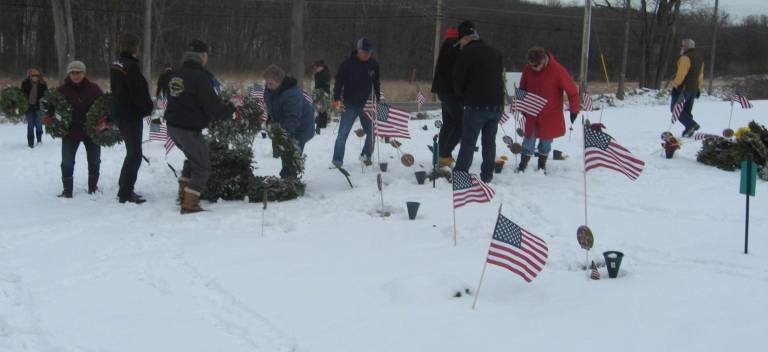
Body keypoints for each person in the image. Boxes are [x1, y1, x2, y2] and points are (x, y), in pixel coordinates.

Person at [164, 39, 235, 214]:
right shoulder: (200, 77)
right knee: (202, 167)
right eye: (206, 56)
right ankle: (189, 203)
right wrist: (230, 109)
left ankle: (183, 193)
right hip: (187, 129)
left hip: (173, 126)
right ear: (202, 57)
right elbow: (213, 106)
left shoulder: (176, 74)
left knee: (192, 158)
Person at [451, 21, 504, 183]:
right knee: (489, 141)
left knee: (468, 141)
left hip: (476, 105)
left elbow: (457, 79)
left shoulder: (467, 53)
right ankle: (487, 175)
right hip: (497, 105)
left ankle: (460, 175)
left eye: (460, 42)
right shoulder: (496, 52)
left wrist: (461, 97)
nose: (460, 46)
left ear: (465, 38)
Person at [517, 47, 579, 173]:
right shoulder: (528, 69)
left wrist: (574, 110)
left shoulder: (558, 70)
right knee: (528, 139)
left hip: (550, 115)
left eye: (535, 66)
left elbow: (572, 92)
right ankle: (523, 166)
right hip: (532, 112)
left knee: (546, 142)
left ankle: (541, 165)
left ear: (543, 61)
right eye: (530, 66)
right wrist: (522, 106)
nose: (533, 68)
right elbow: (522, 88)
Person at [111, 33, 154, 204]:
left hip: (121, 113)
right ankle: (125, 192)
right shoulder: (131, 67)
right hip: (130, 115)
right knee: (135, 154)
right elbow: (137, 93)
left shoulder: (117, 64)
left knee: (132, 152)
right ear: (135, 48)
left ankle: (124, 185)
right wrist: (147, 107)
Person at [331, 37, 381, 168]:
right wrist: (336, 99)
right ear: (358, 50)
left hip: (367, 105)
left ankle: (366, 156)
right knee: (343, 133)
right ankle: (337, 160)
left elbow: (376, 83)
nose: (367, 55)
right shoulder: (346, 64)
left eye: (369, 52)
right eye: (364, 52)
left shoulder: (374, 65)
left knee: (371, 132)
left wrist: (378, 99)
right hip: (350, 104)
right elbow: (338, 83)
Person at [57, 61, 104, 198]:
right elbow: (52, 108)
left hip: (91, 132)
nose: (76, 75)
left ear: (84, 73)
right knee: (67, 161)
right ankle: (67, 191)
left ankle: (93, 187)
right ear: (69, 74)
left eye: (78, 72)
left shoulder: (94, 89)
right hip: (70, 133)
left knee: (94, 160)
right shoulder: (61, 91)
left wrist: (105, 122)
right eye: (73, 73)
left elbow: (104, 107)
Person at [263, 64, 315, 178]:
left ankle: (290, 178)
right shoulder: (270, 90)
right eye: (266, 83)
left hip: (302, 126)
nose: (267, 86)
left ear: (279, 82)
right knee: (285, 149)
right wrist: (270, 120)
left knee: (292, 150)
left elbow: (293, 117)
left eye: (270, 83)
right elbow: (271, 106)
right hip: (286, 122)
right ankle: (287, 176)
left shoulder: (291, 94)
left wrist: (284, 134)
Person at [431, 26, 462, 169]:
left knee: (448, 123)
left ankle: (442, 154)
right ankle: (445, 154)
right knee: (460, 124)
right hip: (451, 92)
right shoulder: (455, 47)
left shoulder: (445, 46)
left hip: (443, 91)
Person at [671, 38, 703, 137]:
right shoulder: (699, 58)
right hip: (693, 89)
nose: (681, 47)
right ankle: (689, 130)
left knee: (675, 108)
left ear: (686, 47)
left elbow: (681, 74)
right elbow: (701, 74)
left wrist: (675, 85)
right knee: (687, 110)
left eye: (682, 46)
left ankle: (691, 125)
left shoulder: (685, 58)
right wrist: (698, 87)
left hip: (683, 88)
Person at [21, 68, 48, 148]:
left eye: (36, 75)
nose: (35, 77)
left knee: (39, 125)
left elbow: (46, 95)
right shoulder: (25, 84)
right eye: (33, 75)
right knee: (30, 125)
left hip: (39, 107)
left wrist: (44, 102)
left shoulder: (43, 84)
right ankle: (30, 142)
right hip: (29, 107)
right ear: (30, 76)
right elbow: (22, 95)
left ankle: (39, 139)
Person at [312, 60, 331, 132]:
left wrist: (317, 75)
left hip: (324, 92)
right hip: (319, 92)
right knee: (319, 107)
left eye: (317, 67)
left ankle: (323, 123)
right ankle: (320, 120)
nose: (316, 69)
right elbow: (317, 82)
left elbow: (320, 82)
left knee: (323, 107)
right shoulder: (319, 73)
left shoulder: (325, 73)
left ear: (321, 66)